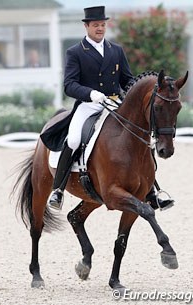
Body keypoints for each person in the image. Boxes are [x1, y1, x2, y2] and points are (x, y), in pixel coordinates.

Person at [47, 6, 174, 211]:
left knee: (139, 136)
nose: (100, 28)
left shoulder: (116, 50)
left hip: (114, 103)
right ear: (87, 26)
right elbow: (69, 85)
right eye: (96, 25)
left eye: (103, 25)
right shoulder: (75, 52)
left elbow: (127, 80)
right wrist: (90, 94)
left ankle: (153, 191)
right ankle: (58, 189)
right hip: (88, 105)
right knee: (73, 139)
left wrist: (136, 94)